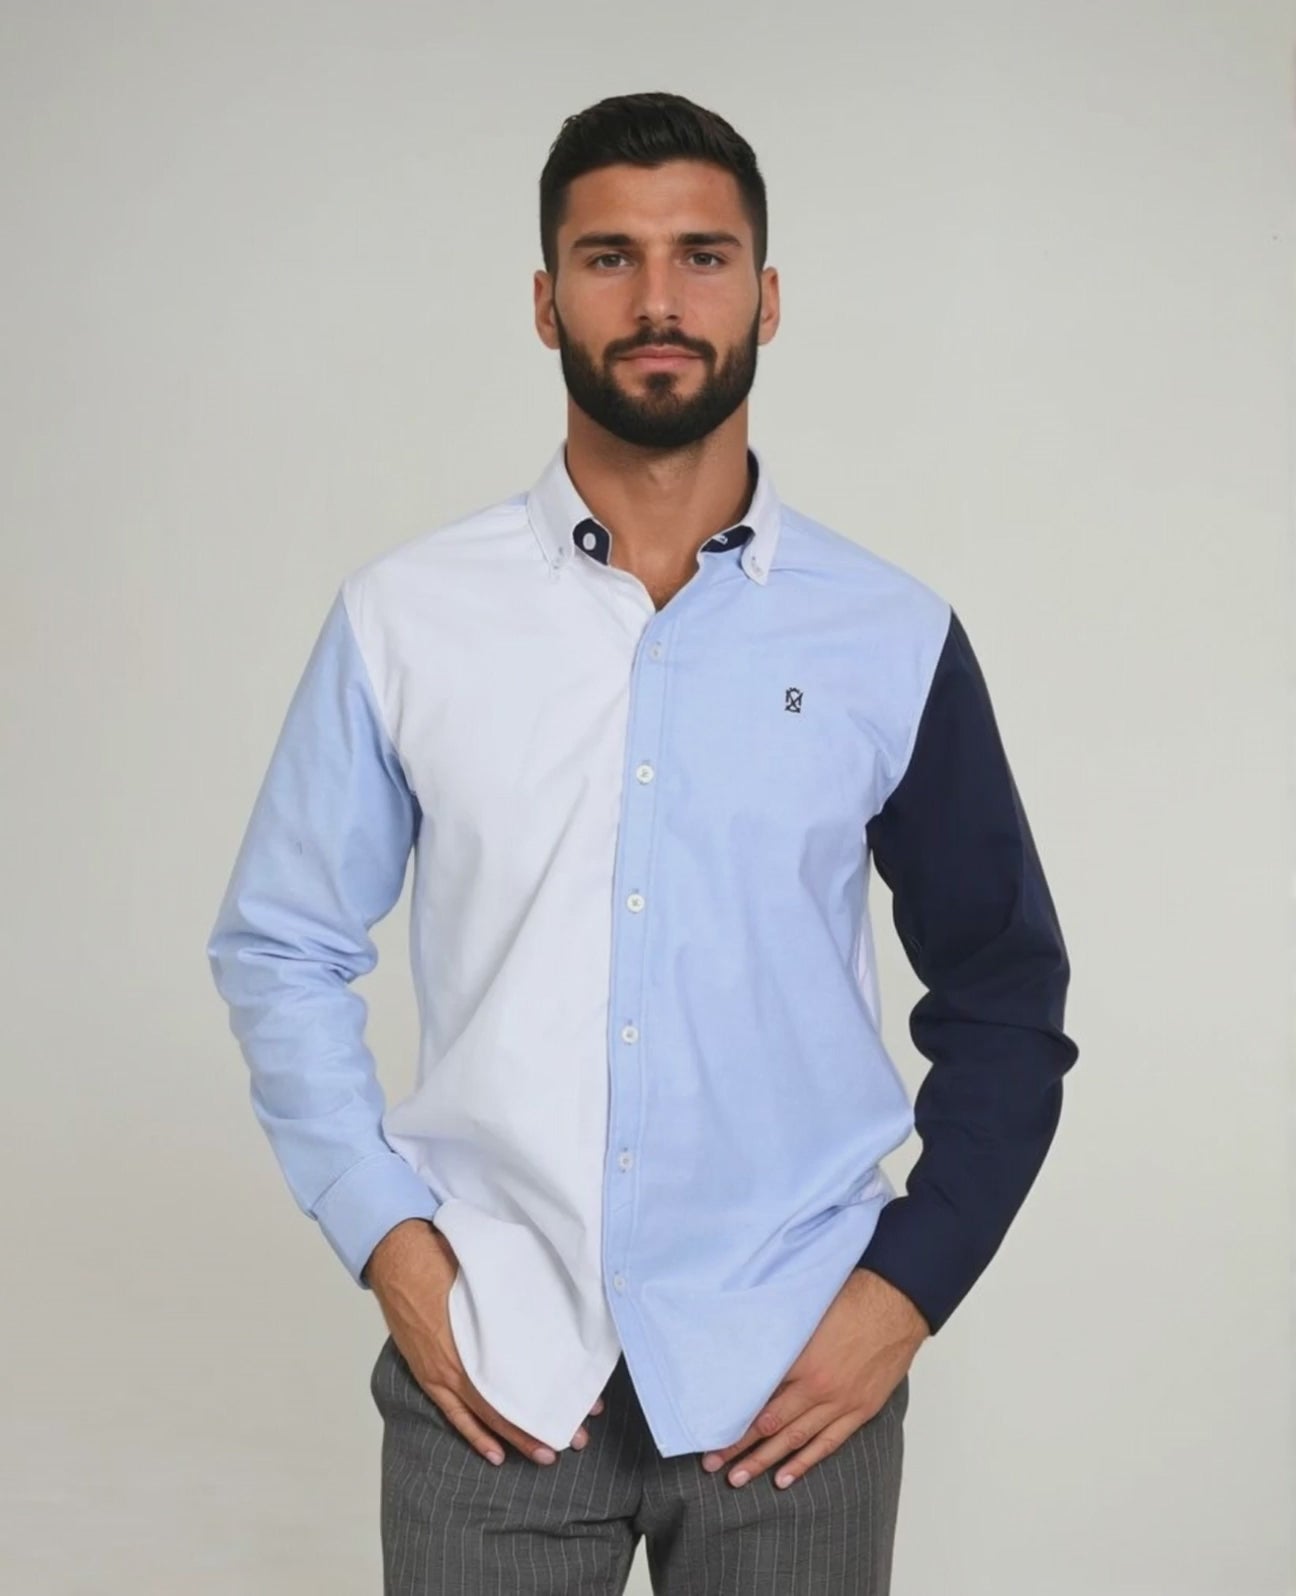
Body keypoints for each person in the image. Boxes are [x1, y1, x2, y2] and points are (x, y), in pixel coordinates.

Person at [206, 89, 1079, 1595]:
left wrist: (907, 1293)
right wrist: (390, 1245)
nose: (659, 300)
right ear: (547, 301)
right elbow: (281, 946)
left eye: (703, 256)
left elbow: (1004, 992)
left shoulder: (889, 638)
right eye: (610, 257)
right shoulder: (407, 619)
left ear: (768, 297)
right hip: (492, 1374)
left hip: (793, 1379)